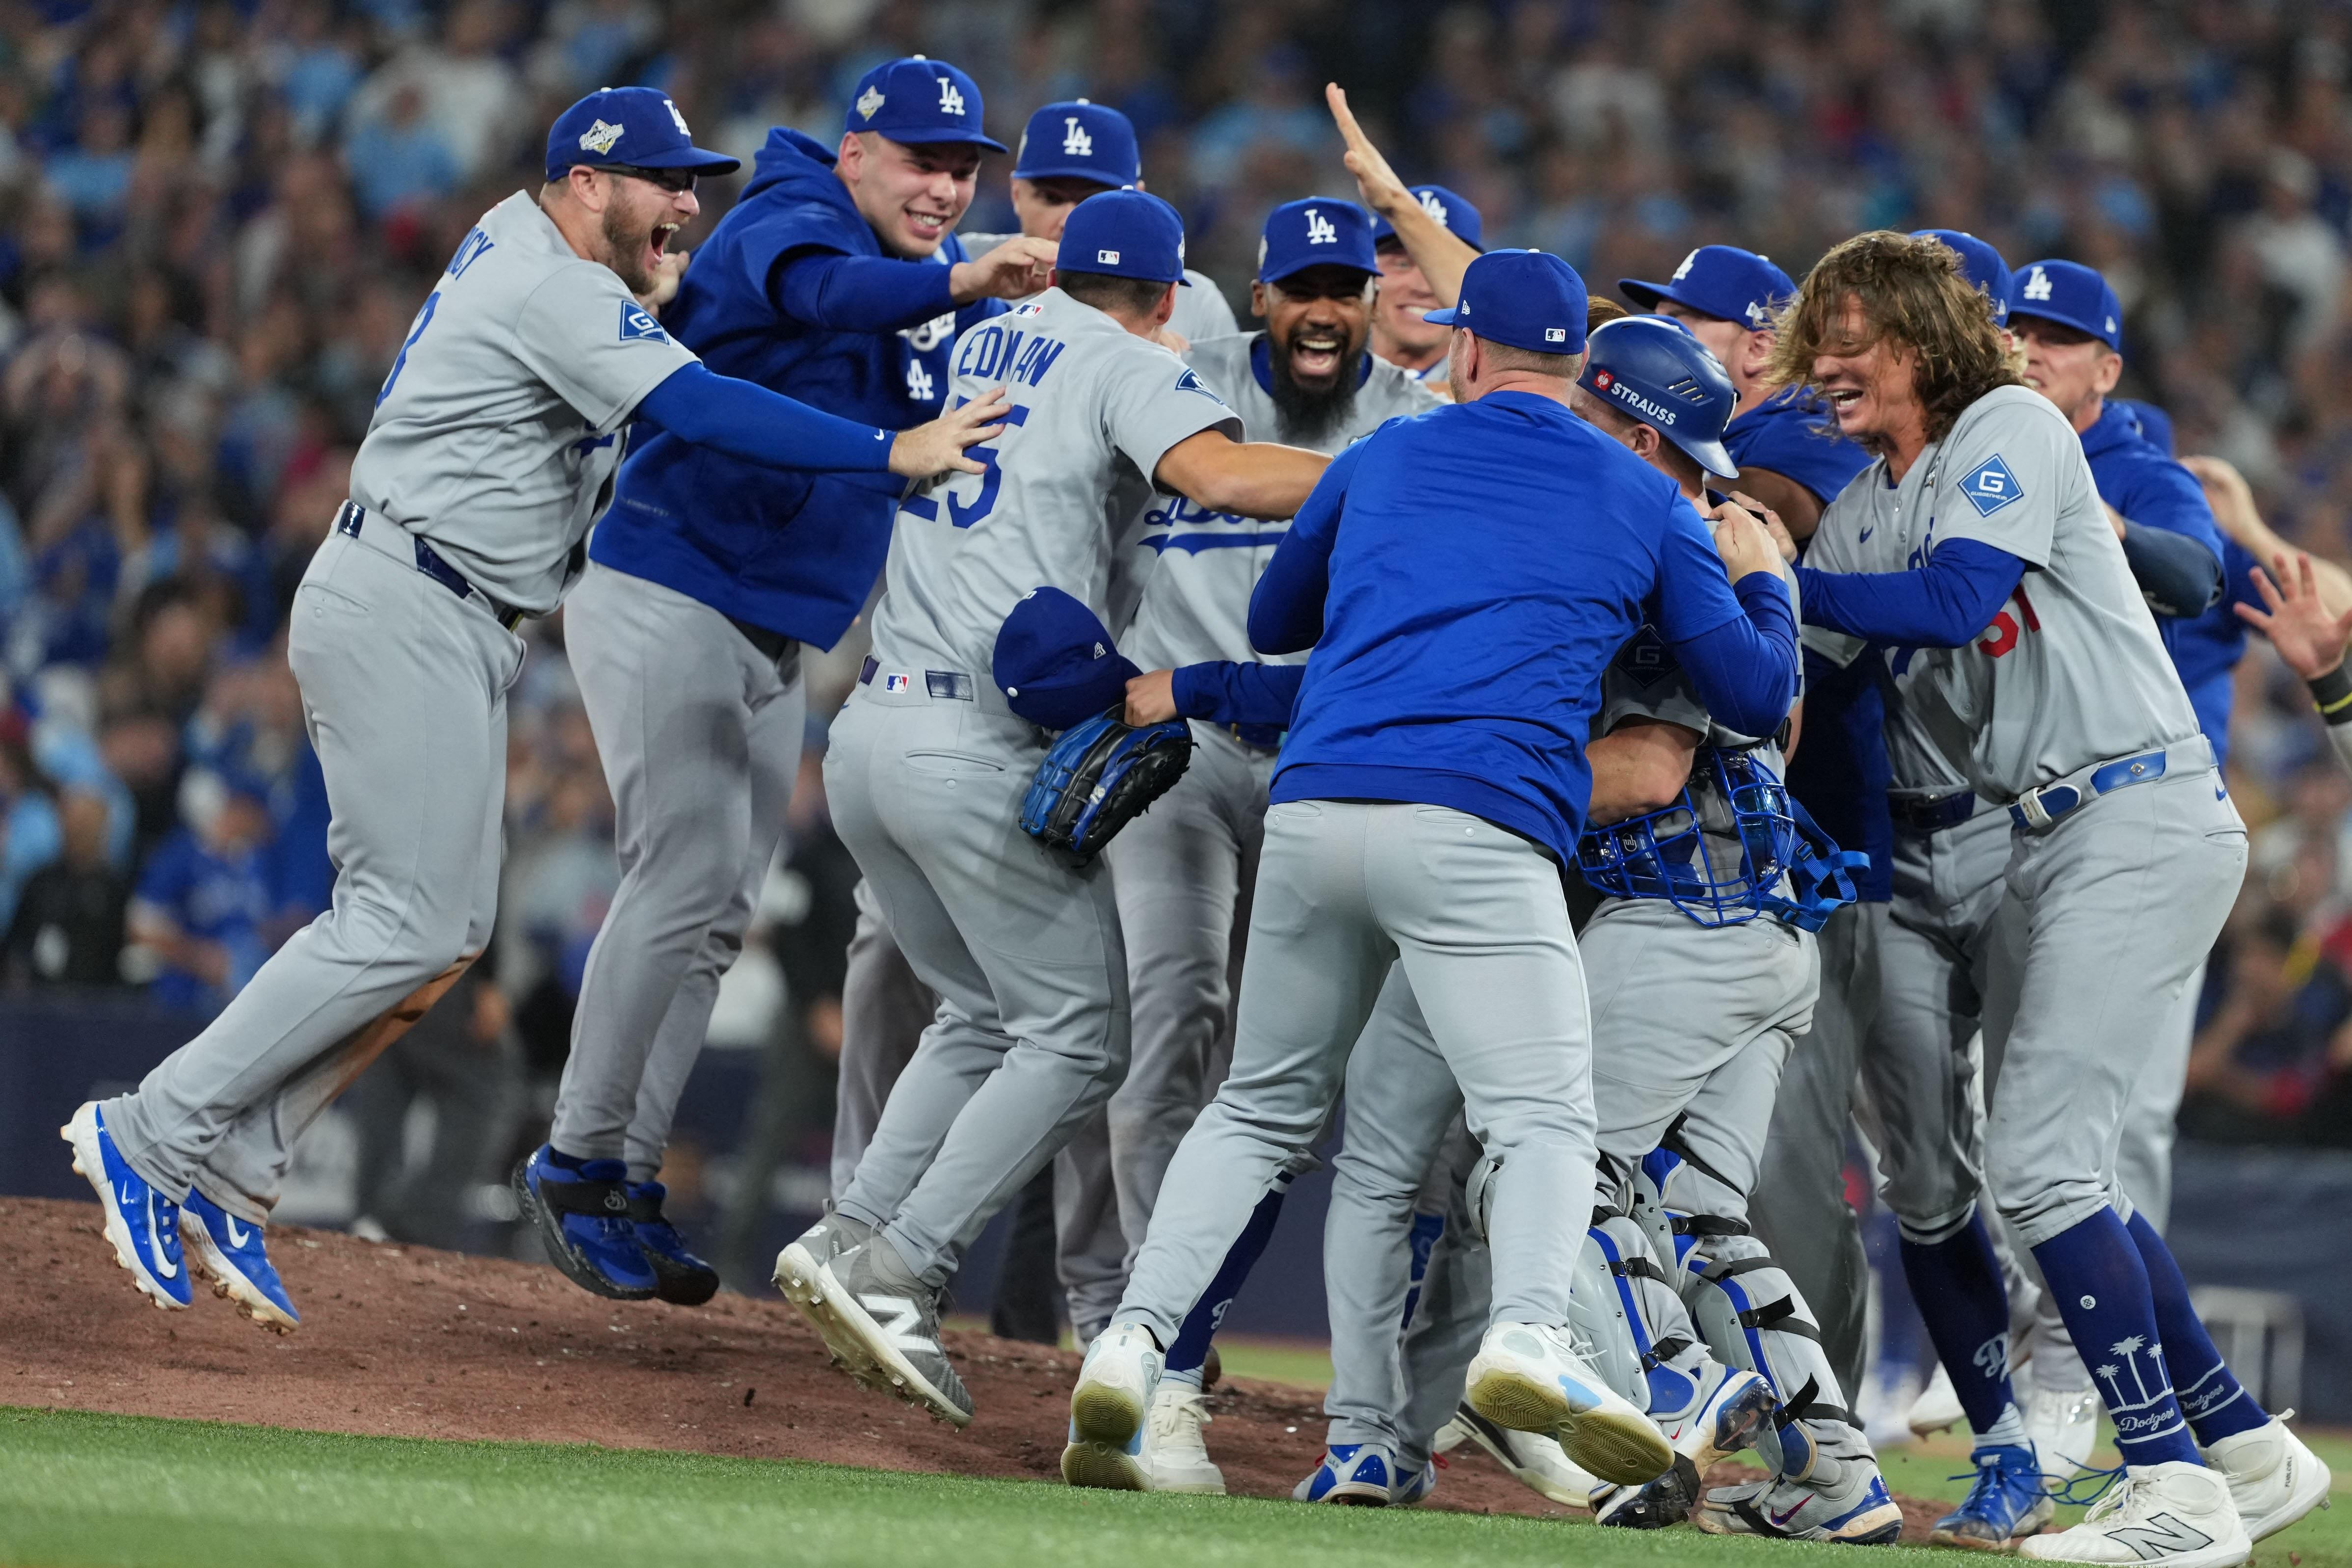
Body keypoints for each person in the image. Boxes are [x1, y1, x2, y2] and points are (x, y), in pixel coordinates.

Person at [61, 85, 1005, 1336]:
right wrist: (889, 451)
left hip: (451, 607)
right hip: (408, 590)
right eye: (660, 181)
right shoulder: (550, 284)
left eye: (690, 181)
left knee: (441, 930)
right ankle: (151, 1128)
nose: (684, 202)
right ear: (582, 182)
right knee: (405, 918)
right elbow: (699, 403)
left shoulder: (553, 261)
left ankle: (240, 1164)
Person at [1064, 246, 1801, 1498]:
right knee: (1540, 1116)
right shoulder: (1648, 502)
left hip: (1314, 811)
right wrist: (1767, 586)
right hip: (1476, 826)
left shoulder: (1382, 454)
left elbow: (1274, 624)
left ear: (1463, 349)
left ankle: (1134, 1346)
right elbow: (1755, 689)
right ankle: (1529, 1331)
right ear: (1579, 368)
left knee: (1256, 1108)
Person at [1786, 230, 2326, 1566]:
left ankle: (2170, 1489)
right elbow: (1806, 657)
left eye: (1852, 338)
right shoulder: (1865, 501)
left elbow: (1962, 595)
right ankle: (2243, 1450)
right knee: (2062, 1166)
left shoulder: (2016, 421)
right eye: (1821, 341)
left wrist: (1771, 575)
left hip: (2135, 806)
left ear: (1917, 338)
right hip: (2049, 831)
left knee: (2033, 1164)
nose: (1829, 362)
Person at [773, 189, 1332, 1430]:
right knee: (1086, 1030)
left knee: (979, 1009)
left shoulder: (982, 335)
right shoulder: (1113, 353)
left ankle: (851, 1228)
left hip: (870, 731)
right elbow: (1223, 474)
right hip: (970, 742)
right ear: (1153, 300)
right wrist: (1383, 468)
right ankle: (904, 1267)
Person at [521, 56, 1052, 1308]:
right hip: (668, 587)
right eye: (923, 161)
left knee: (717, 907)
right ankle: (572, 1157)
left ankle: (624, 1174)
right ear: (857, 151)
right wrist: (961, 272)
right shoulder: (791, 210)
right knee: (680, 875)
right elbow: (824, 295)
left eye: (963, 168)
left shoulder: (886, 250)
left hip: (760, 625)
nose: (944, 186)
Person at [1062, 194, 1441, 1483]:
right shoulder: (1179, 382)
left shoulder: (1413, 419)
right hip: (1181, 752)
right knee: (1176, 1012)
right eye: (1302, 286)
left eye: (1346, 285)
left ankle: (1176, 1318)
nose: (1325, 308)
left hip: (1332, 769)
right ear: (1261, 297)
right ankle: (1132, 1317)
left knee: (1300, 1075)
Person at [959, 98, 1236, 345]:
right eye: (1051, 198)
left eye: (1095, 202)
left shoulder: (1195, 302)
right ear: (1016, 195)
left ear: (1138, 200)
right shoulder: (963, 263)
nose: (1071, 220)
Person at [1366, 185, 1481, 388]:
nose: (1423, 287)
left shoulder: (1495, 395)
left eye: (1442, 270)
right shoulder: (1325, 376)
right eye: (1402, 264)